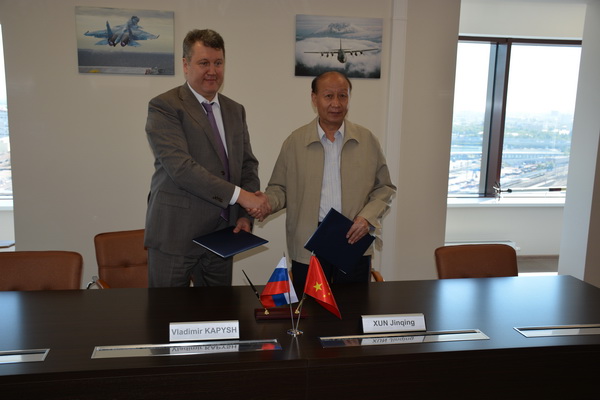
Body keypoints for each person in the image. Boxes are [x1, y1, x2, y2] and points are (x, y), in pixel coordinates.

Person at [144, 29, 270, 288]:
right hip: (175, 236)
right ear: (185, 65)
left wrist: (244, 215)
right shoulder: (164, 106)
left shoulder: (235, 110)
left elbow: (247, 164)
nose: (212, 71)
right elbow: (182, 169)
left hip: (223, 236)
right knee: (166, 312)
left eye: (218, 63)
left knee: (219, 312)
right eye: (204, 63)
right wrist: (243, 197)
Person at [251, 71, 396, 293]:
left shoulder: (367, 140)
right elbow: (279, 188)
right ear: (314, 98)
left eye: (342, 96)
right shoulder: (295, 142)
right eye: (328, 96)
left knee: (353, 307)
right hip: (310, 241)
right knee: (310, 309)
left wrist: (367, 218)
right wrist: (266, 203)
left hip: (353, 237)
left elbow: (384, 188)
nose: (336, 103)